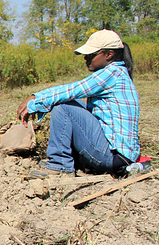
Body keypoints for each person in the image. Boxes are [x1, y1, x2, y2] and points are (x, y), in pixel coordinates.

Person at [17, 29, 139, 177]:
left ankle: (60, 165)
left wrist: (35, 99)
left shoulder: (112, 73)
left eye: (91, 54)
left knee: (63, 106)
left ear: (109, 54)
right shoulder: (116, 72)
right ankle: (68, 161)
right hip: (117, 157)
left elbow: (70, 90)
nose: (86, 58)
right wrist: (37, 97)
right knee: (71, 103)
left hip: (112, 157)